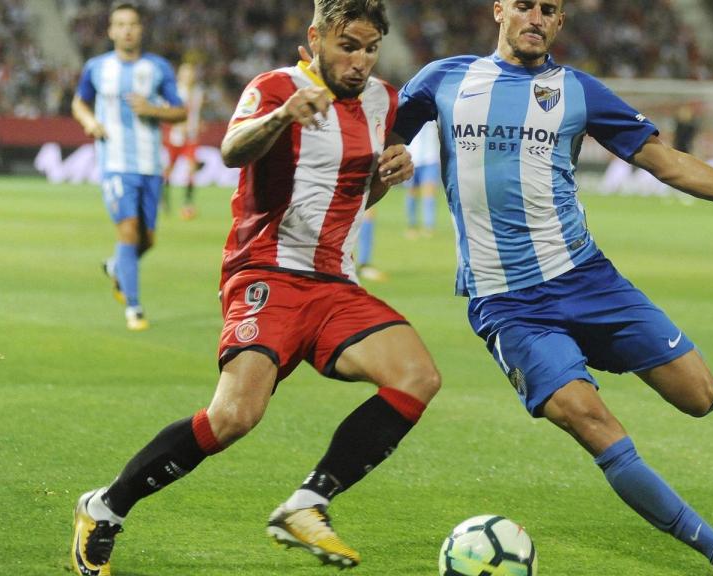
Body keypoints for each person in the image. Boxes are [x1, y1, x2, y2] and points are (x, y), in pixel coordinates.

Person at [392, 1, 713, 574]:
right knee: (590, 420)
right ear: (499, 9)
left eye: (550, 9)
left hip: (589, 281)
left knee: (701, 396)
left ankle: (583, 350)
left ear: (561, 22)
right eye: (525, 5)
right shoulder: (443, 79)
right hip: (509, 305)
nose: (536, 16)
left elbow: (665, 162)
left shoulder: (578, 91)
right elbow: (375, 147)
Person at [71, 1, 440, 574]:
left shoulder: (382, 101)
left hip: (335, 282)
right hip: (267, 270)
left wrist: (388, 174)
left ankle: (308, 503)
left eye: (370, 48)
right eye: (349, 46)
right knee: (235, 416)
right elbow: (231, 150)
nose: (361, 61)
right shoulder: (274, 87)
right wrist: (285, 116)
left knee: (417, 377)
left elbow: (357, 195)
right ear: (316, 37)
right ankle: (106, 507)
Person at [71, 3, 187, 331]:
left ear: (141, 29)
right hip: (115, 162)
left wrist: (152, 109)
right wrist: (90, 121)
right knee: (128, 230)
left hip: (150, 164)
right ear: (110, 31)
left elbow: (180, 112)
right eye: (120, 24)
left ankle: (115, 267)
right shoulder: (96, 67)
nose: (127, 30)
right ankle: (133, 308)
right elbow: (79, 101)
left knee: (147, 239)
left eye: (132, 24)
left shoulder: (158, 68)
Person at [162, 62, 205, 220]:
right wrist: (177, 125)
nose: (189, 76)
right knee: (169, 170)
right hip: (174, 136)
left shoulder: (198, 91)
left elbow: (197, 112)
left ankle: (187, 203)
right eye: (186, 73)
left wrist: (198, 123)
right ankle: (164, 199)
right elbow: (167, 110)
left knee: (191, 167)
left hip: (191, 137)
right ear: (180, 75)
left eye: (191, 73)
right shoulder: (174, 91)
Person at [404, 120, 441, 238]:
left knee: (429, 193)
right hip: (412, 158)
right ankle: (412, 225)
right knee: (411, 193)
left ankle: (429, 226)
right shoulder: (411, 110)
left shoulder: (434, 110)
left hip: (430, 158)